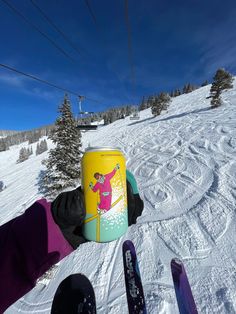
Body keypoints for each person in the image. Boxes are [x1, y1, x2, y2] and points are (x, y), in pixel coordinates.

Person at [0, 171, 143, 313]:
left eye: (99, 176)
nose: (99, 178)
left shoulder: (104, 180)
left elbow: (7, 261)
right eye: (97, 177)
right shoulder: (99, 185)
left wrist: (56, 223)